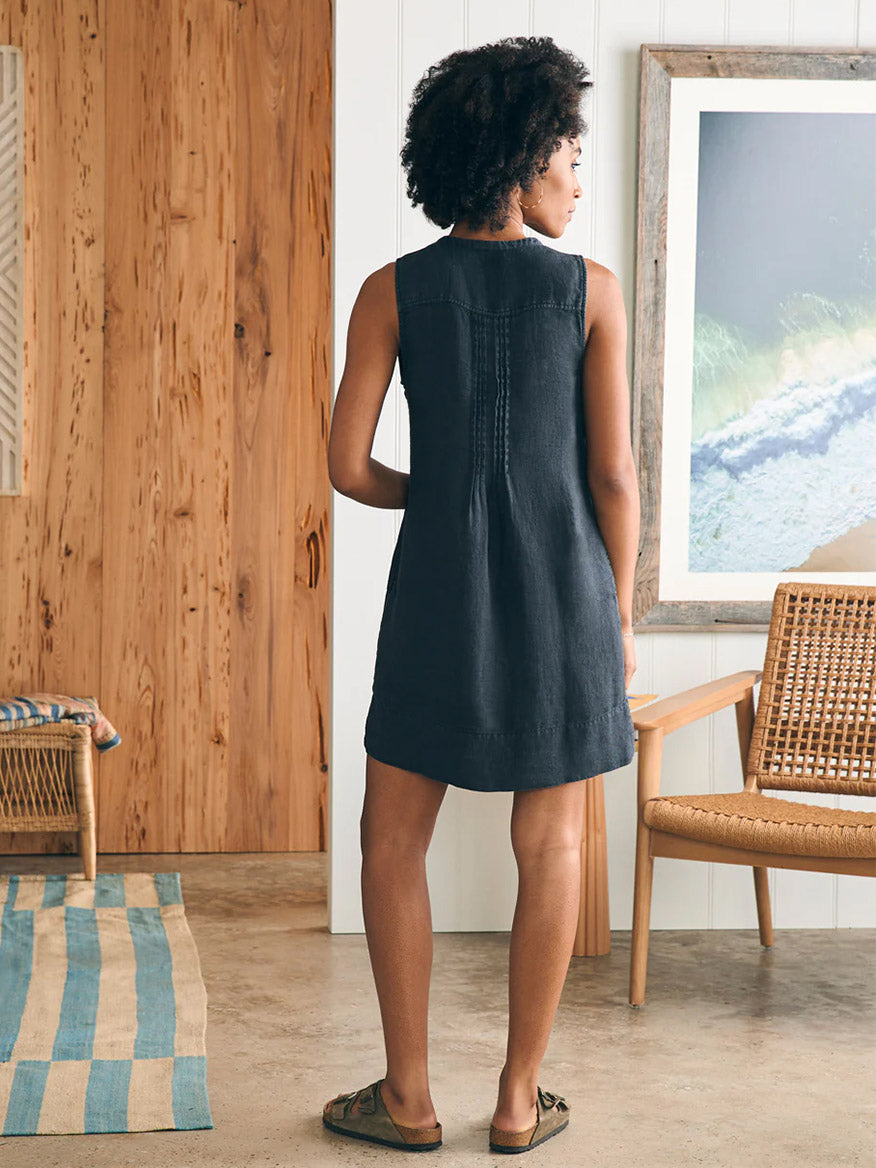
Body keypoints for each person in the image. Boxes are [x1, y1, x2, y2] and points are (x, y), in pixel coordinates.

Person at [323, 35, 640, 1155]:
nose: (575, 174)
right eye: (566, 149)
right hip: (565, 595)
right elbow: (612, 477)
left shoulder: (391, 291)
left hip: (434, 594)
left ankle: (407, 1099)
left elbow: (348, 465)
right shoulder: (588, 292)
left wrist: (445, 493)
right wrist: (620, 618)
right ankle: (517, 1102)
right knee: (549, 844)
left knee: (390, 839)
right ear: (516, 154)